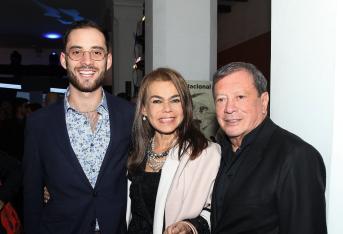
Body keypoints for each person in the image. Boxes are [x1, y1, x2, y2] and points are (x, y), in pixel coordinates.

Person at [23, 20, 134, 234]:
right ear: (64, 60)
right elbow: (31, 195)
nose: (87, 61)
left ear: (108, 60)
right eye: (77, 52)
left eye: (96, 52)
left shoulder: (129, 115)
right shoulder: (39, 124)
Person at [210, 62, 327, 234]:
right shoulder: (217, 152)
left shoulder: (296, 156)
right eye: (221, 99)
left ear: (264, 102)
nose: (229, 108)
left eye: (240, 97)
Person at [126, 68, 221, 234]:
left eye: (175, 100)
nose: (167, 109)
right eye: (157, 101)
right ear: (143, 109)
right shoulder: (134, 152)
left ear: (185, 106)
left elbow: (216, 211)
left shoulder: (206, 154)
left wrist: (190, 226)